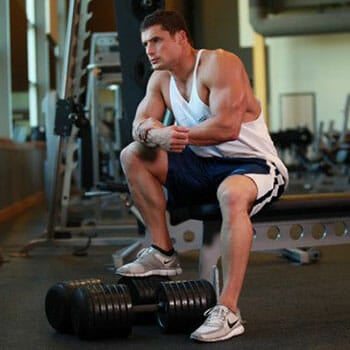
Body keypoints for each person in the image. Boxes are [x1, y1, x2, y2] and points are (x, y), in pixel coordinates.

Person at [116, 9, 288, 343]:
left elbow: (227, 126)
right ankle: (163, 252)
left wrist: (171, 134)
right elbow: (139, 126)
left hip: (250, 165)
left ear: (181, 37)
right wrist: (153, 134)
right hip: (200, 166)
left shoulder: (218, 64)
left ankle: (228, 310)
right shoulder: (160, 79)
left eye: (156, 40)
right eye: (145, 43)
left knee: (232, 195)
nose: (149, 50)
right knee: (132, 155)